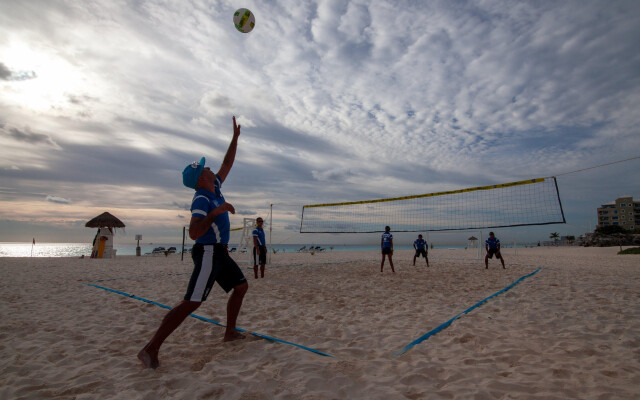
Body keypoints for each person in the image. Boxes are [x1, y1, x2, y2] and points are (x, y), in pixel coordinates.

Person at [137, 116, 248, 369]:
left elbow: (227, 163)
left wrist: (235, 138)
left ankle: (229, 333)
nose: (210, 169)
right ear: (200, 178)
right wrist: (215, 214)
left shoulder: (215, 187)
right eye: (205, 169)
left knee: (241, 287)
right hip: (208, 251)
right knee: (193, 302)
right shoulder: (201, 199)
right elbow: (194, 233)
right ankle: (150, 348)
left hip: (220, 253)